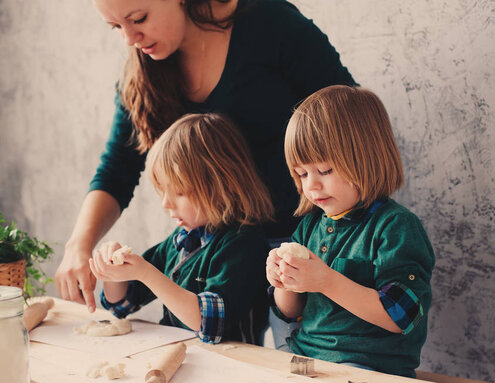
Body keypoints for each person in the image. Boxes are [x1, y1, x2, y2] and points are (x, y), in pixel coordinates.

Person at [56, 0, 355, 311]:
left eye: (139, 19)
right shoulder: (141, 73)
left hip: (304, 249)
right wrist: (79, 245)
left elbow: (351, 117)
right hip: (216, 255)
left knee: (297, 355)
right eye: (117, 27)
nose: (130, 39)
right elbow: (118, 167)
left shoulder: (270, 24)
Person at [266, 85, 435, 377]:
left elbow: (402, 316)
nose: (311, 186)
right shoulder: (310, 225)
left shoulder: (395, 227)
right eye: (302, 174)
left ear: (367, 158)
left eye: (325, 171)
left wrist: (326, 280)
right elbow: (290, 312)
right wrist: (284, 280)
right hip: (305, 357)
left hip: (368, 367)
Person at [89, 113, 273, 344]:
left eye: (180, 192)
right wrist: (114, 272)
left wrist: (146, 272)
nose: (166, 203)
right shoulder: (182, 239)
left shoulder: (244, 244)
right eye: (162, 191)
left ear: (221, 185)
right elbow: (123, 304)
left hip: (233, 365)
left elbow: (210, 324)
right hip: (183, 357)